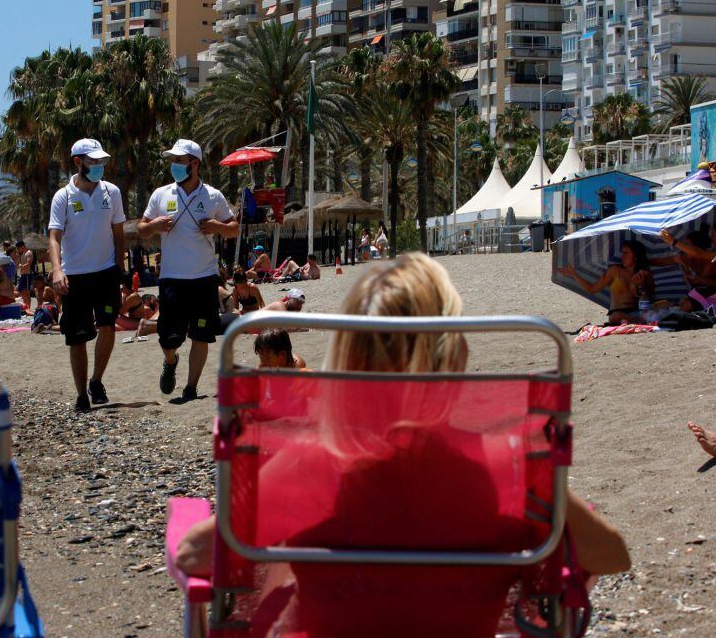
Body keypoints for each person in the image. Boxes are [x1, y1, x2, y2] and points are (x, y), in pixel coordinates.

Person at [176, 254, 631, 633]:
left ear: (347, 362)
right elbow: (610, 555)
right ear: (455, 356)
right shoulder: (506, 466)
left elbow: (195, 553)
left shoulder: (310, 463)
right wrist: (547, 486)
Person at [139, 138, 239, 402]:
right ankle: (170, 362)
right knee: (167, 338)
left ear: (194, 164)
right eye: (172, 160)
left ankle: (191, 387)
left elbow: (234, 229)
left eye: (179, 160)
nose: (174, 165)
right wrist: (155, 225)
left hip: (205, 278)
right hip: (172, 278)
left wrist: (216, 226)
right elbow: (141, 228)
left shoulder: (213, 196)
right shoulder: (161, 194)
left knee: (201, 334)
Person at [48, 138, 127, 412]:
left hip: (106, 273)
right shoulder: (64, 197)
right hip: (75, 277)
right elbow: (54, 237)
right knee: (78, 336)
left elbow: (119, 234)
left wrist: (119, 269)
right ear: (78, 162)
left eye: (101, 161)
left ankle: (97, 381)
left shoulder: (112, 193)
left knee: (108, 326)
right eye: (93, 161)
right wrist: (57, 270)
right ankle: (81, 394)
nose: (98, 166)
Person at [558, 239, 655, 324]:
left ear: (636, 256)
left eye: (626, 253)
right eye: (622, 253)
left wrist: (642, 286)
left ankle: (636, 319)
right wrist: (574, 275)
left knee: (663, 306)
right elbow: (592, 289)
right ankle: (637, 320)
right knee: (616, 316)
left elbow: (649, 298)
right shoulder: (614, 271)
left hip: (637, 311)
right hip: (618, 312)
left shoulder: (644, 274)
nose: (622, 256)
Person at [16, 239, 35, 312]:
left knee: (27, 292)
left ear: (22, 246)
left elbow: (28, 263)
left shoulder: (29, 252)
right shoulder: (23, 254)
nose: (18, 250)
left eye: (18, 248)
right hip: (23, 275)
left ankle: (28, 308)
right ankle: (25, 307)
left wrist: (21, 267)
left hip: (27, 275)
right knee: (22, 291)